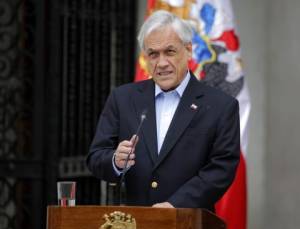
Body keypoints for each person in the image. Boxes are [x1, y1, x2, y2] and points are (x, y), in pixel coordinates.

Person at [86, 10, 240, 211]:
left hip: (191, 228)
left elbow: (221, 169)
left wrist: (176, 205)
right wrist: (115, 160)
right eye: (153, 54)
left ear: (188, 50)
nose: (162, 63)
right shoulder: (123, 98)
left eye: (169, 51)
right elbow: (96, 157)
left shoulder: (221, 106)